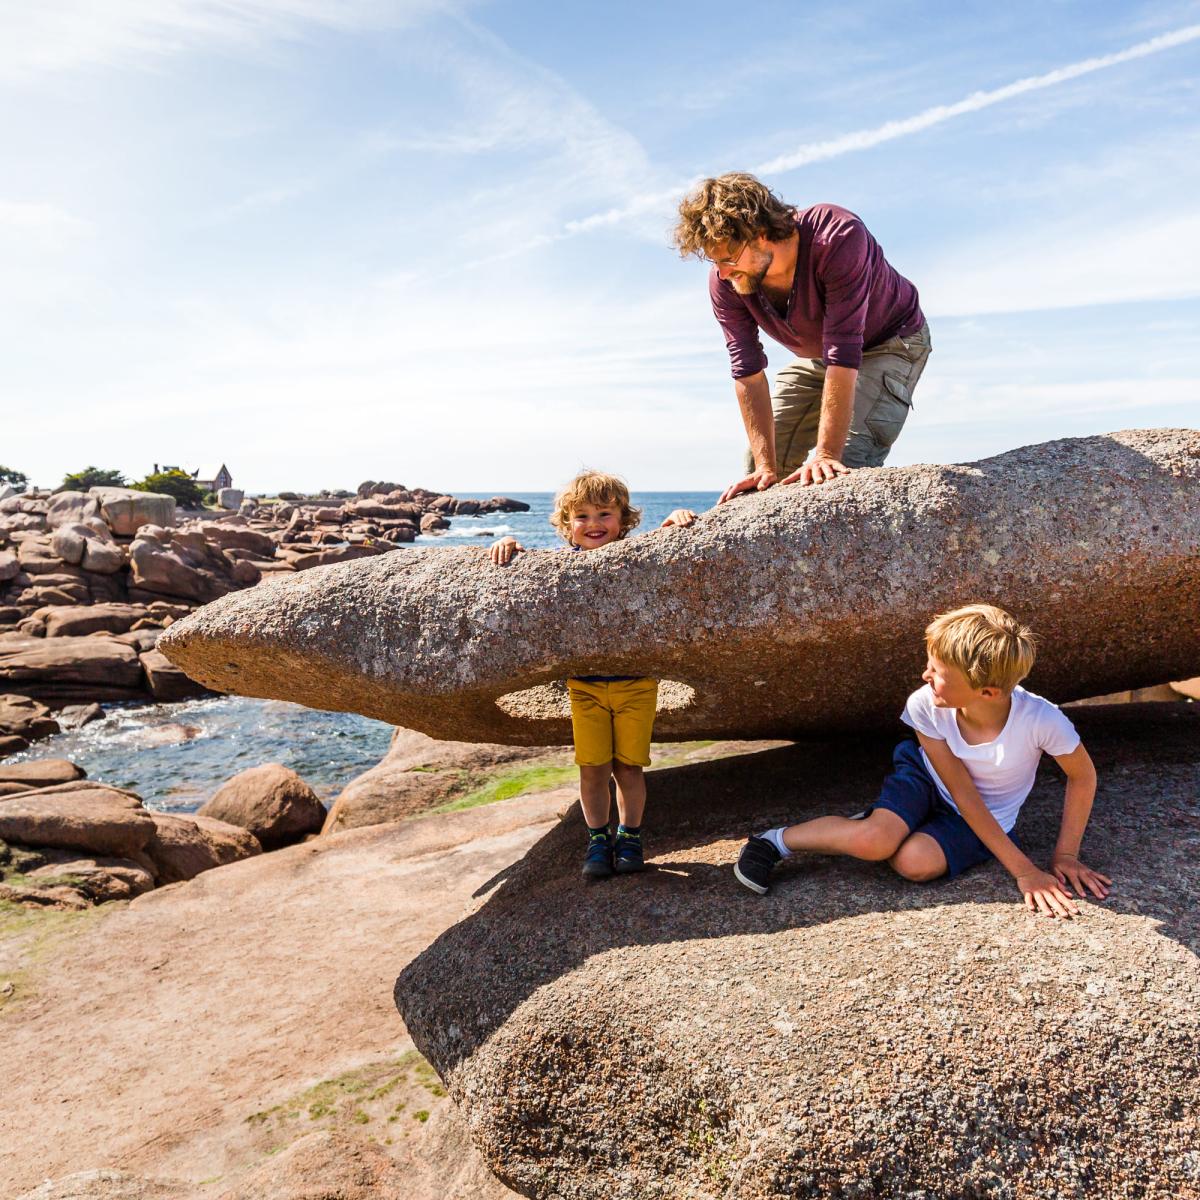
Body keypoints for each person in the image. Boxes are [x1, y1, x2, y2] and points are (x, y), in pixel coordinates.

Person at [733, 604, 1112, 918]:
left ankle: (887, 823)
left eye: (938, 673)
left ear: (987, 691)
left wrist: (1066, 855)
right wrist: (1024, 870)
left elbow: (1082, 777)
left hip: (984, 814)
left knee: (914, 863)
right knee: (875, 842)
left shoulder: (1041, 720)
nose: (924, 675)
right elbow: (960, 789)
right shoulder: (925, 704)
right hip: (928, 778)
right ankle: (773, 842)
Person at [673, 172, 931, 504]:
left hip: (891, 342)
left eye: (729, 258)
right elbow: (747, 372)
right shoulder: (726, 281)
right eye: (714, 260)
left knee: (841, 466)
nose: (722, 272)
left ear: (762, 234)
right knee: (760, 470)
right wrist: (765, 467)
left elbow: (844, 350)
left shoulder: (836, 235)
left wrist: (825, 453)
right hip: (823, 353)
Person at [489, 471, 695, 879]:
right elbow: (530, 566)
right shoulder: (565, 565)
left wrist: (678, 517)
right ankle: (598, 839)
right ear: (566, 526)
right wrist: (507, 542)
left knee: (629, 769)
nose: (594, 523)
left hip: (636, 686)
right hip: (585, 690)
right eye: (581, 516)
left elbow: (666, 547)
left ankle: (630, 836)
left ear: (625, 519)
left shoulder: (634, 557)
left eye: (605, 513)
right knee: (592, 769)